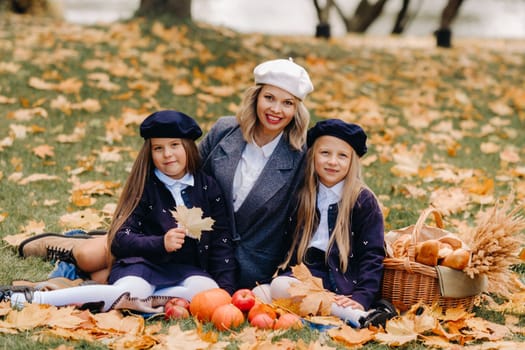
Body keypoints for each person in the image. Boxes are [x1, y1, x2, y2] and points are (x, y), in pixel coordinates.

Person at [17, 58, 314, 290]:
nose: (276, 109)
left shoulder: (300, 155)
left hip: (238, 259)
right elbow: (185, 171)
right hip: (172, 232)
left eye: (287, 103)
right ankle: (69, 247)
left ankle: (70, 281)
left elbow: (323, 198)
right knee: (90, 257)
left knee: (106, 272)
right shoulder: (227, 131)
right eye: (269, 98)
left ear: (297, 109)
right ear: (255, 97)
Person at [2, 110, 236, 310]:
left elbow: (221, 240)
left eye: (175, 145)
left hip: (187, 269)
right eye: (158, 148)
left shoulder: (207, 186)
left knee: (208, 292)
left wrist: (226, 292)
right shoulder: (144, 186)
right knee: (129, 292)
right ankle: (33, 298)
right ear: (149, 152)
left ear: (188, 146)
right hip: (142, 264)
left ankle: (115, 296)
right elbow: (120, 240)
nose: (167, 154)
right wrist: (160, 243)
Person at [253, 119, 396, 328]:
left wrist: (362, 296)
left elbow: (372, 254)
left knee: (279, 286)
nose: (332, 162)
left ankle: (360, 316)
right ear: (312, 156)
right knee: (261, 293)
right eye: (325, 153)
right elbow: (284, 244)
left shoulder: (362, 200)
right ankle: (334, 316)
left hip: (341, 277)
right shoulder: (303, 195)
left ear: (352, 162)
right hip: (307, 273)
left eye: (342, 156)